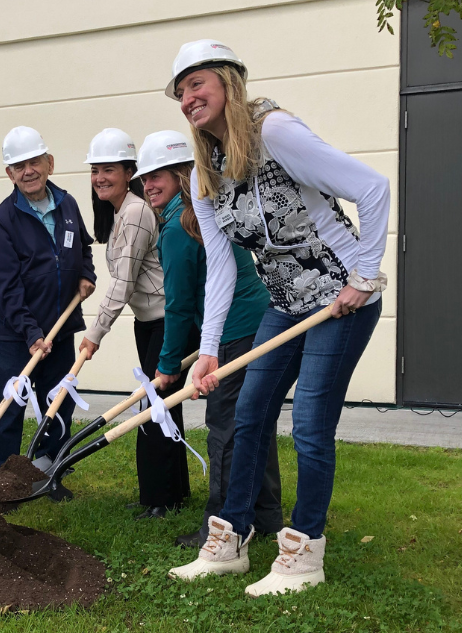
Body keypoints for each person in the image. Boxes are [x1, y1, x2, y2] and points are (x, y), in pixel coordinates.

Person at [165, 40, 388, 596]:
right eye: (181, 90)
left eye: (198, 84)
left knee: (311, 424)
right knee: (248, 415)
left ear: (228, 81)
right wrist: (210, 348)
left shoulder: (276, 133)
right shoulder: (203, 170)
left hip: (340, 301)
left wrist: (364, 276)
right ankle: (230, 539)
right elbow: (221, 264)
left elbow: (372, 188)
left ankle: (304, 551)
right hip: (285, 306)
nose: (189, 97)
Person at [134, 130, 281, 545]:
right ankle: (267, 515)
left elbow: (177, 308)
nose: (148, 185)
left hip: (238, 332)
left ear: (183, 173)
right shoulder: (201, 212)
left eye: (158, 175)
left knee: (226, 427)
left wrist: (165, 368)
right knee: (255, 422)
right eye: (144, 178)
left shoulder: (179, 229)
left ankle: (220, 524)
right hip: (259, 322)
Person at [77, 128, 184, 520]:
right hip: (149, 322)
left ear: (129, 173)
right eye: (95, 170)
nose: (100, 177)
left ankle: (158, 500)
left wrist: (94, 333)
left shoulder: (137, 211)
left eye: (109, 169)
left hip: (165, 323)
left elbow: (122, 283)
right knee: (165, 408)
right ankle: (174, 494)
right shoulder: (121, 212)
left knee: (152, 410)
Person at [0, 125, 96, 479]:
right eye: (19, 166)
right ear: (9, 174)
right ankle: (0, 476)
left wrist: (87, 275)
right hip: (17, 334)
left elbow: (85, 246)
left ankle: (51, 468)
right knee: (11, 403)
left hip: (60, 329)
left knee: (57, 401)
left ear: (49, 162)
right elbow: (6, 286)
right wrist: (30, 332)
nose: (28, 171)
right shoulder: (1, 220)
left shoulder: (67, 203)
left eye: (34, 162)